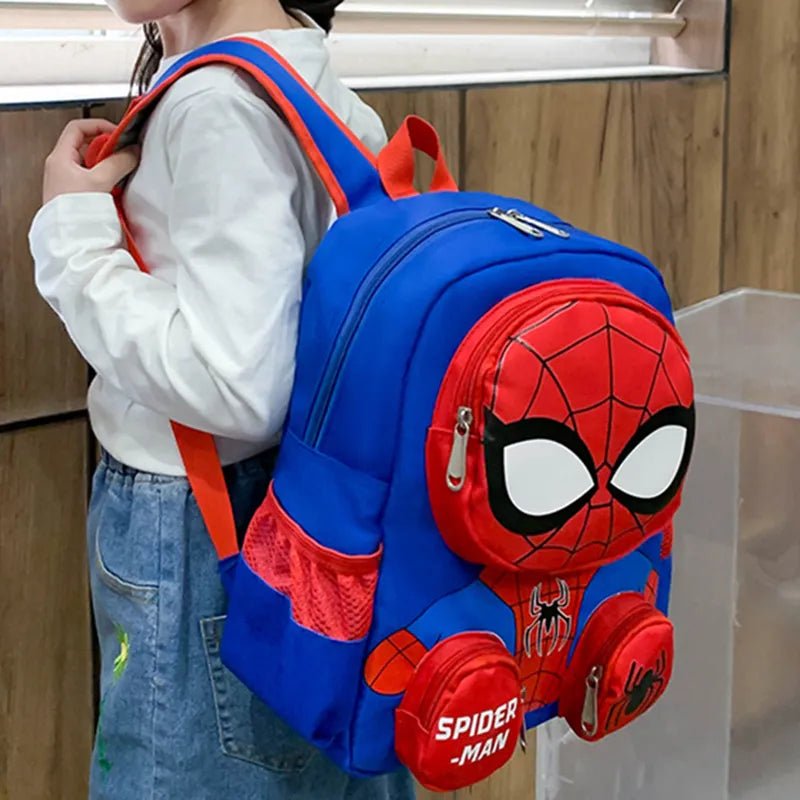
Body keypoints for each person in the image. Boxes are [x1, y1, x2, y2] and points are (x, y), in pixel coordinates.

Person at [28, 2, 414, 798]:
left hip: (202, 531)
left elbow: (237, 383)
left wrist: (70, 234)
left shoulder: (216, 105)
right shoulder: (311, 79)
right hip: (320, 516)